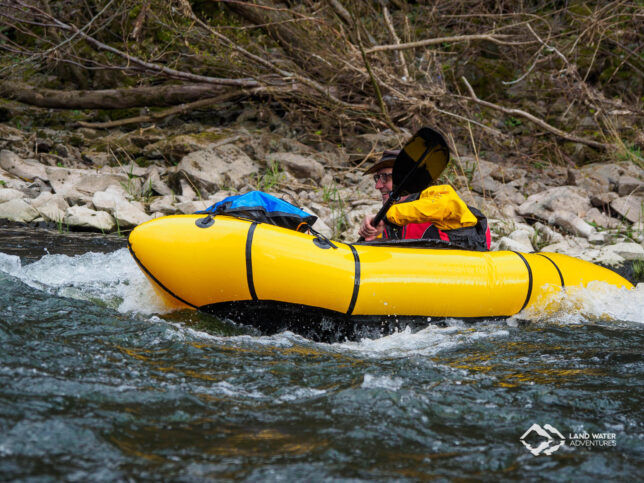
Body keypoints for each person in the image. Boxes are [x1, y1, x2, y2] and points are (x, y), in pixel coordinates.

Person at [358, 150, 491, 250]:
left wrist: (386, 217)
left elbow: (443, 204)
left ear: (409, 180)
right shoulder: (390, 222)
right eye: (377, 179)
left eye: (385, 177)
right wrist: (375, 236)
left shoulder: (438, 196)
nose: (378, 186)